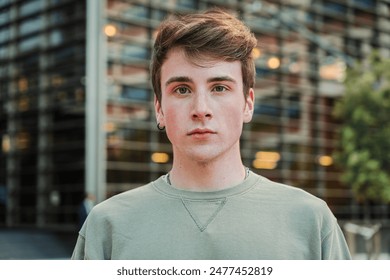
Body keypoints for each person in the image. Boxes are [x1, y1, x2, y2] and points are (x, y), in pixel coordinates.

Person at [72, 9, 351, 260]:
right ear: (159, 109)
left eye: (219, 88)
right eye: (182, 89)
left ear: (248, 103)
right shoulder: (107, 225)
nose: (201, 109)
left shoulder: (311, 221)